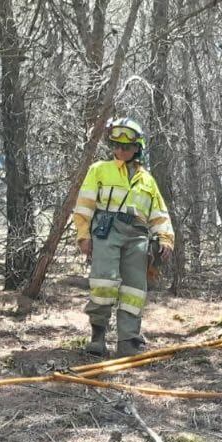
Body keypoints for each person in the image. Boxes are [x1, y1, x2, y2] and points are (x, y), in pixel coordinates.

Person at [71, 118, 173, 357]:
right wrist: (83, 236)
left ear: (137, 147)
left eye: (125, 146)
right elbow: (84, 205)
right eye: (116, 145)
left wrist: (165, 238)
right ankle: (98, 337)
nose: (120, 150)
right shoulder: (99, 170)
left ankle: (128, 341)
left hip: (137, 236)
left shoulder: (147, 180)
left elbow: (158, 213)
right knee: (103, 281)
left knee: (134, 289)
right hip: (107, 229)